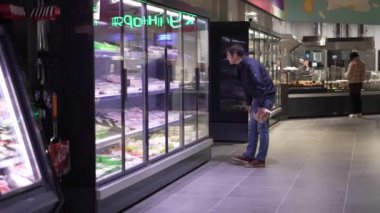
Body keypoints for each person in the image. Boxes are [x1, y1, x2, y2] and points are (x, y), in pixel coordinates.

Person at [226, 44, 276, 168]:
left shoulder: (250, 65)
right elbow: (246, 87)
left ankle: (260, 159)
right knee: (252, 128)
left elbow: (259, 85)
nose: (227, 58)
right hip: (256, 98)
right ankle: (249, 155)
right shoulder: (240, 66)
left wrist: (259, 106)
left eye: (228, 56)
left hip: (265, 97)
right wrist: (249, 103)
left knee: (262, 128)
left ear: (235, 55)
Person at [345, 51, 366, 118]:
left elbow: (348, 75)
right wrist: (361, 80)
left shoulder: (352, 64)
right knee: (358, 97)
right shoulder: (362, 63)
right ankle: (359, 113)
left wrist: (345, 74)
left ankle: (354, 113)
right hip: (359, 83)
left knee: (353, 98)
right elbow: (363, 75)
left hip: (352, 83)